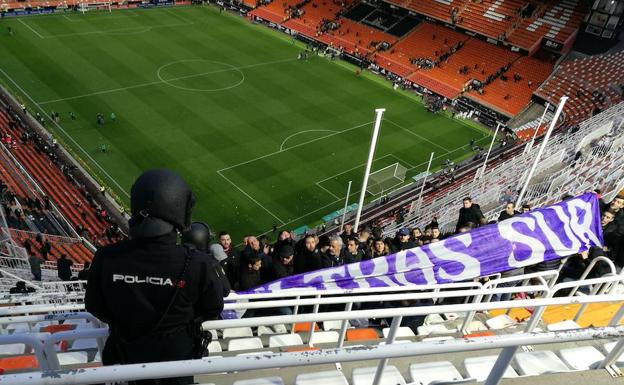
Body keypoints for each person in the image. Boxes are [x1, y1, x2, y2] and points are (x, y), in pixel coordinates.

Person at [85, 169, 225, 385]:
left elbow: (95, 306)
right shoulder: (198, 263)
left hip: (128, 358)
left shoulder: (107, 257)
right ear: (179, 208)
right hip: (178, 361)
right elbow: (212, 308)